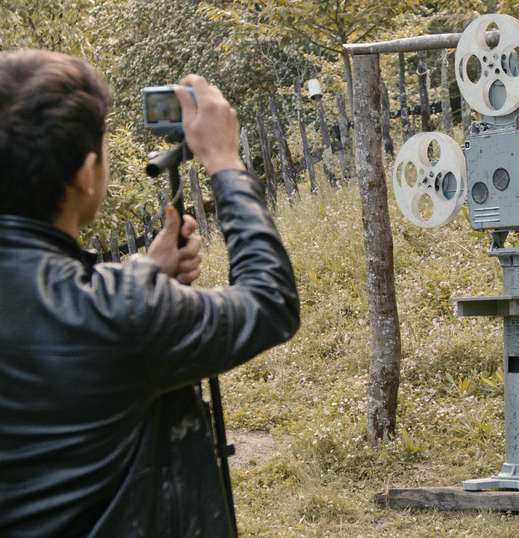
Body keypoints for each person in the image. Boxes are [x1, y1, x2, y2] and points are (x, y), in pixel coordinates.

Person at [0, 49, 300, 536]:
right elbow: (270, 304)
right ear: (85, 172)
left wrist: (143, 271)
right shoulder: (122, 312)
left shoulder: (114, 303)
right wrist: (226, 164)